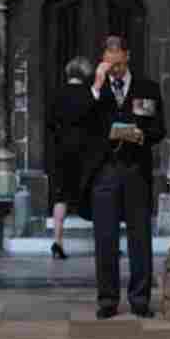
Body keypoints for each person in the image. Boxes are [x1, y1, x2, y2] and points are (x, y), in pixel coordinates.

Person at [86, 35, 166, 319]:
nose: (116, 71)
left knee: (139, 236)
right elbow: (81, 121)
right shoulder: (95, 91)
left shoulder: (148, 88)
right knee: (105, 237)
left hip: (135, 170)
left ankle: (140, 298)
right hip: (106, 172)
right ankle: (107, 299)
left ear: (127, 56)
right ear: (104, 61)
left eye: (119, 65)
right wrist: (97, 84)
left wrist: (142, 135)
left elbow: (159, 128)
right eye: (111, 65)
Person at [50, 56, 97, 260]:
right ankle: (102, 242)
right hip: (85, 151)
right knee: (95, 195)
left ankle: (57, 241)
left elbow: (50, 124)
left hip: (61, 150)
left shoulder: (56, 94)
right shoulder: (89, 95)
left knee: (61, 197)